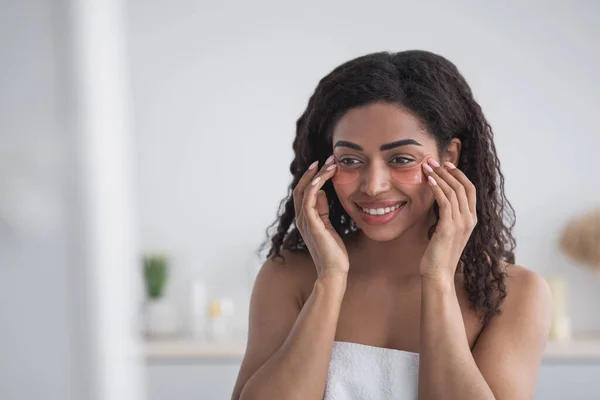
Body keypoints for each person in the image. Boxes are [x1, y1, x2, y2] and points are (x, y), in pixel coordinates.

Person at [231, 50, 551, 400]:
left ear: (449, 158)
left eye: (401, 159)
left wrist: (438, 279)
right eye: (350, 160)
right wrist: (331, 279)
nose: (373, 185)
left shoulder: (512, 294)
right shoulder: (289, 276)